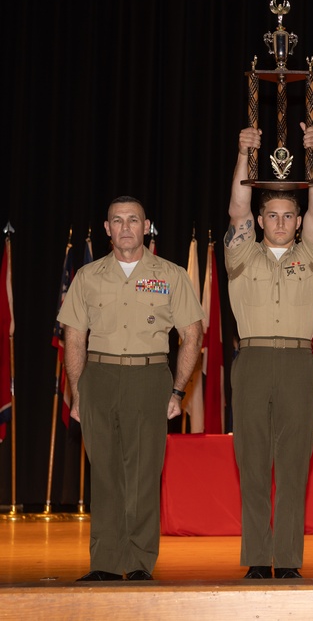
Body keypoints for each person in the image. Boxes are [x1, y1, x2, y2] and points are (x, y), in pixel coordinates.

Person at [59, 196, 204, 581]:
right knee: (104, 474)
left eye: (133, 220)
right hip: (100, 378)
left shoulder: (171, 275)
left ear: (146, 226)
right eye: (117, 221)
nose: (125, 227)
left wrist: (177, 392)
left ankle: (140, 564)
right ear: (107, 229)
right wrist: (77, 393)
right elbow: (74, 337)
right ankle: (105, 563)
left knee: (143, 474)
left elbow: (192, 335)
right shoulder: (87, 277)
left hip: (149, 377)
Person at [224, 123, 313, 579]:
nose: (282, 222)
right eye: (274, 215)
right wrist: (244, 155)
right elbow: (236, 208)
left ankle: (286, 559)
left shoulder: (312, 253)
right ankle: (256, 558)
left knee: (292, 464)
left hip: (295, 363)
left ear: (298, 221)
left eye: (290, 215)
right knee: (252, 462)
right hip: (251, 361)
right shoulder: (241, 255)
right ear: (262, 220)